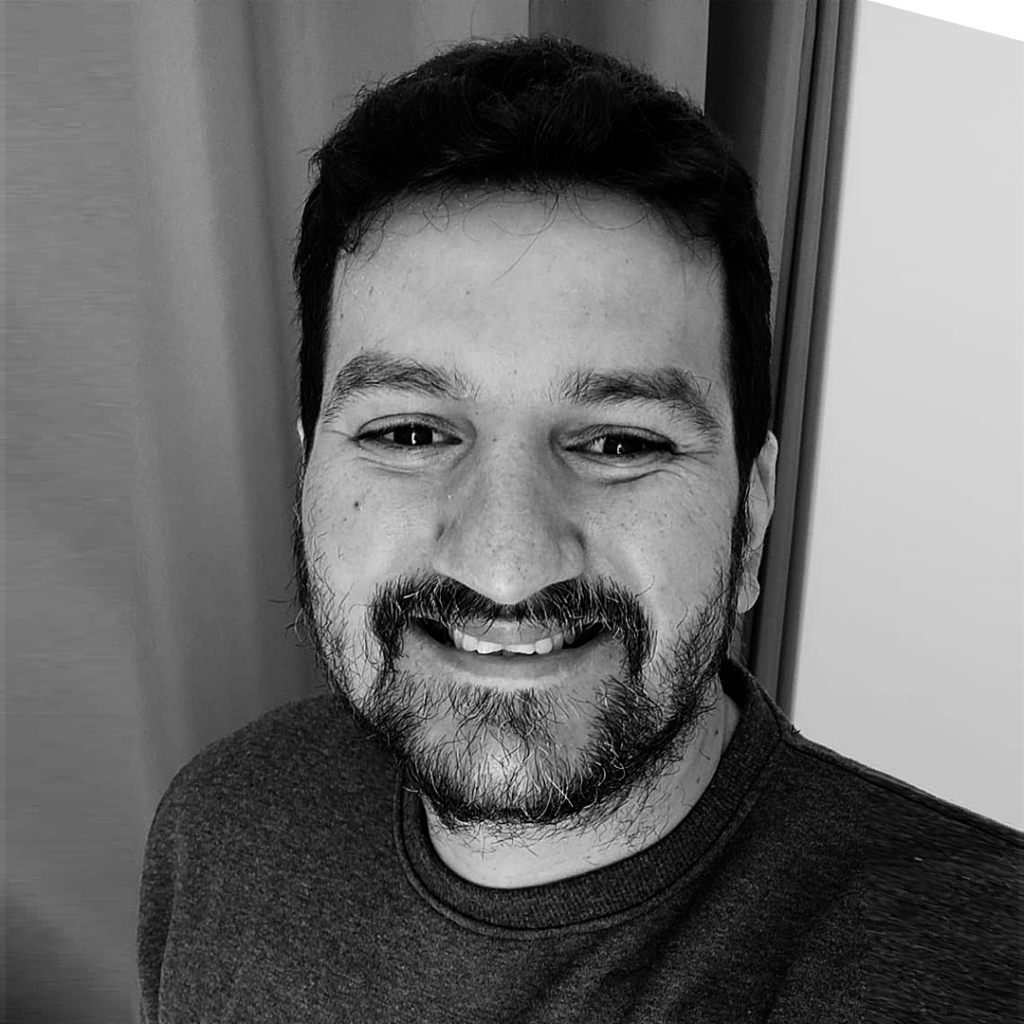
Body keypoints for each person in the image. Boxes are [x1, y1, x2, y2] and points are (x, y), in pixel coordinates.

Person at [137, 36, 1019, 1023]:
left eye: (618, 443)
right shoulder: (215, 828)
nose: (507, 564)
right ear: (307, 477)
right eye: (410, 433)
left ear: (752, 513)